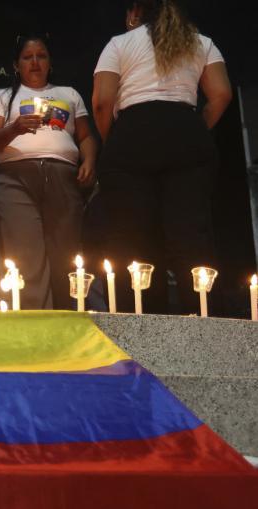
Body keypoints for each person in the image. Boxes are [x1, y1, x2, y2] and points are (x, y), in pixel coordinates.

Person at [93, 0, 231, 315]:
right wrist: (196, 128)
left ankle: (140, 324)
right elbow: (221, 93)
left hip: (132, 135)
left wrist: (116, 141)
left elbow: (102, 102)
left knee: (132, 238)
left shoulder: (119, 43)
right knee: (190, 235)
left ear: (134, 13)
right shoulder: (201, 42)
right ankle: (205, 323)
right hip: (186, 132)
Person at [0, 34, 97, 310]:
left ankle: (64, 324)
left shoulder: (69, 94)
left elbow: (85, 136)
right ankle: (34, 325)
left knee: (65, 257)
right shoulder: (2, 96)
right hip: (15, 178)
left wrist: (90, 161)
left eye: (41, 56)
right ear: (16, 65)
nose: (35, 62)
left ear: (50, 62)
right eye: (27, 57)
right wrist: (14, 128)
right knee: (25, 257)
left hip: (64, 177)